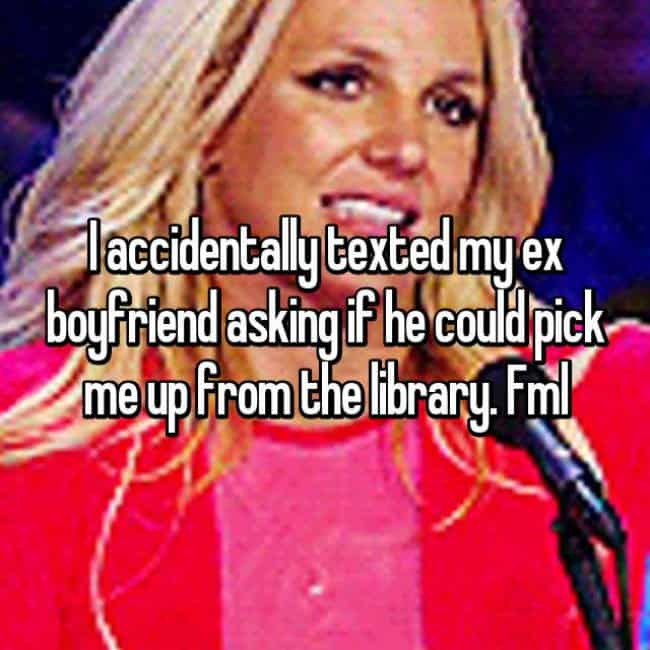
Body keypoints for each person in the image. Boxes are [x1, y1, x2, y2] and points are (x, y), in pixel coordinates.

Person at [0, 0, 648, 648]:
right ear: (207, 112)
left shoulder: (586, 413)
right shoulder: (32, 447)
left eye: (451, 108)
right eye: (343, 83)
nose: (406, 149)